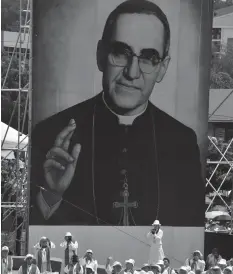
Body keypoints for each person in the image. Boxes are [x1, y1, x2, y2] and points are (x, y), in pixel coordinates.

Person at [30, 0, 204, 226]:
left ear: (162, 67)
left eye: (148, 58)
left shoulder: (183, 142)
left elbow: (190, 225)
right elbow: (32, 226)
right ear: (101, 55)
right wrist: (52, 194)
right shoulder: (50, 133)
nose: (132, 72)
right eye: (121, 53)